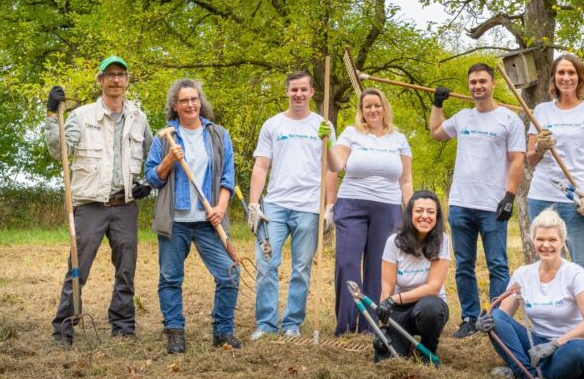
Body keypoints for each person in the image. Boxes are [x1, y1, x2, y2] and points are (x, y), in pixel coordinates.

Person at [45, 56, 153, 345]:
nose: (116, 80)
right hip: (90, 206)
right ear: (100, 80)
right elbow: (59, 152)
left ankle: (123, 326)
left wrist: (148, 183)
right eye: (110, 75)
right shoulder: (82, 116)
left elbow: (152, 156)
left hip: (125, 206)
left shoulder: (139, 118)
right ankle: (64, 327)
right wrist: (52, 116)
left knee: (126, 269)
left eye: (121, 74)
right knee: (78, 268)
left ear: (127, 80)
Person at [429, 63, 525, 338]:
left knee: (497, 263)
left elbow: (517, 160)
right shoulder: (462, 117)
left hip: (493, 205)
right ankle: (470, 318)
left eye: (482, 81)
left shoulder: (509, 119)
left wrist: (510, 196)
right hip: (461, 203)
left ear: (493, 84)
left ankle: (495, 318)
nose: (477, 86)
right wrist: (438, 103)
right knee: (463, 264)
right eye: (473, 82)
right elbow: (436, 132)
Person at [144, 79, 241, 353]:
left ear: (201, 102)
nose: (190, 104)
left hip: (209, 220)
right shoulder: (166, 137)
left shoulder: (218, 134)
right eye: (184, 100)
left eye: (194, 99)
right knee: (170, 278)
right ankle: (174, 331)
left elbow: (228, 177)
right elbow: (151, 178)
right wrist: (168, 161)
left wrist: (220, 208)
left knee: (230, 274)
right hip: (175, 221)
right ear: (175, 106)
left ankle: (223, 332)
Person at [247, 71, 336, 339]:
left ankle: (292, 324)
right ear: (287, 91)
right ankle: (265, 324)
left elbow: (332, 169)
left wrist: (330, 205)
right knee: (266, 264)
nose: (298, 94)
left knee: (301, 268)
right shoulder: (273, 125)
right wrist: (254, 203)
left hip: (309, 207)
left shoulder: (323, 126)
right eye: (293, 89)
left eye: (303, 89)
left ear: (312, 93)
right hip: (275, 205)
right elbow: (261, 165)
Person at [319, 88, 413, 336]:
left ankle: (370, 326)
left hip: (388, 209)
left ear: (385, 108)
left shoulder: (399, 139)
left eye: (377, 105)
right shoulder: (351, 134)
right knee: (347, 263)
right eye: (367, 106)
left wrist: (411, 209)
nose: (372, 110)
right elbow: (335, 165)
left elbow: (406, 180)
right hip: (352, 206)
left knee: (378, 267)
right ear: (361, 111)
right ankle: (346, 325)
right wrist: (327, 143)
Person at [476, 208, 584, 379]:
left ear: (562, 241)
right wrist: (485, 323)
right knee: (495, 316)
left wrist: (555, 344)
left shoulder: (575, 273)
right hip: (536, 347)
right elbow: (502, 316)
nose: (546, 245)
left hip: (568, 346)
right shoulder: (523, 274)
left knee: (580, 351)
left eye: (552, 239)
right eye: (540, 239)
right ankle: (529, 376)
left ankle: (524, 371)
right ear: (532, 240)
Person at [525, 53, 584, 305]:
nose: (566, 78)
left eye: (571, 72)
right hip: (542, 196)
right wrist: (540, 147)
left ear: (580, 77)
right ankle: (551, 319)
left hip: (580, 200)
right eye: (561, 73)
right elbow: (530, 159)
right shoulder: (541, 111)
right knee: (546, 264)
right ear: (554, 77)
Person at [374, 190, 451, 363]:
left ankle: (428, 348)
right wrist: (383, 329)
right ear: (410, 214)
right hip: (400, 309)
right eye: (419, 211)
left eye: (431, 212)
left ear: (437, 217)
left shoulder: (442, 240)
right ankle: (401, 343)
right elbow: (387, 288)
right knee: (385, 360)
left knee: (429, 307)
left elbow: (433, 287)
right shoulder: (394, 242)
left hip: (430, 305)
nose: (425, 216)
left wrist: (394, 299)